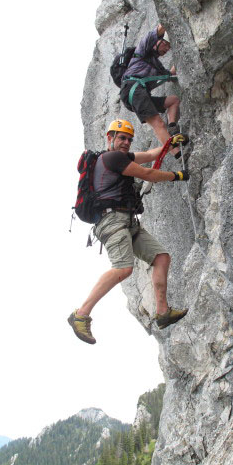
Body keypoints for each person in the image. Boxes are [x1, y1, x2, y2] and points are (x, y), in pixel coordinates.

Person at [68, 119, 190, 345]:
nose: (126, 142)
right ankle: (81, 314)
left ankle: (163, 312)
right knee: (123, 268)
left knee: (161, 258)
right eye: (121, 137)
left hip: (126, 220)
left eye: (129, 139)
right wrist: (177, 176)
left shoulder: (120, 157)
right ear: (109, 138)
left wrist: (169, 143)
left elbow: (149, 155)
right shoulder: (112, 158)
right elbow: (148, 174)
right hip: (111, 221)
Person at [120, 24, 180, 146]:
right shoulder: (143, 49)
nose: (167, 48)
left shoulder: (157, 66)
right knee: (158, 123)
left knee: (174, 100)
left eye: (169, 47)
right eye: (166, 44)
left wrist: (181, 58)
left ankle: (172, 128)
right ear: (157, 41)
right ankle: (177, 153)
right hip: (133, 88)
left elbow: (170, 73)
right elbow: (159, 29)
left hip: (141, 93)